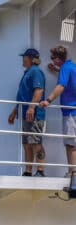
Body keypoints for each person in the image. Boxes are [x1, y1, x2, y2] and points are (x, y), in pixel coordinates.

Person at [8, 48, 46, 177]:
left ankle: (40, 170)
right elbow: (21, 95)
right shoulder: (28, 72)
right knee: (27, 143)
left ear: (30, 58)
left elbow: (39, 90)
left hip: (34, 114)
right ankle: (28, 171)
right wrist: (15, 111)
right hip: (24, 113)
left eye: (24, 57)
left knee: (36, 142)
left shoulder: (36, 72)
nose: (22, 59)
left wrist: (31, 108)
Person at [40, 46, 76, 177]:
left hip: (71, 112)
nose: (52, 60)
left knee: (71, 144)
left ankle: (73, 174)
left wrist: (48, 101)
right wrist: (56, 70)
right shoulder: (71, 66)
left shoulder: (65, 68)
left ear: (58, 58)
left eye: (53, 58)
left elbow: (61, 86)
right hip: (73, 110)